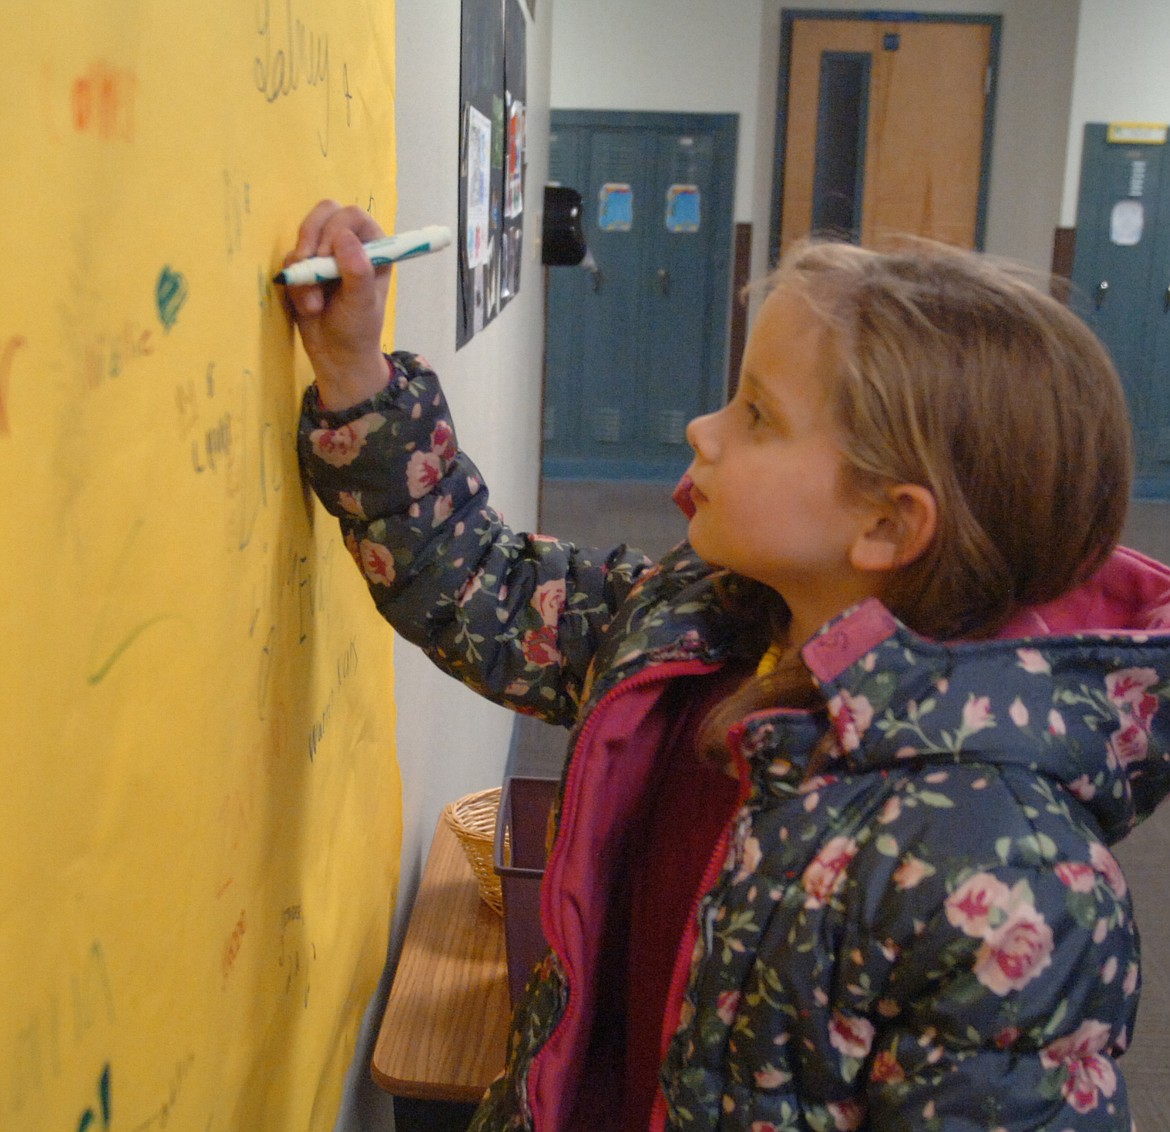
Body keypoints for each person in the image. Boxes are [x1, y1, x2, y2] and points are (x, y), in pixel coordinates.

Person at [284, 200, 1170, 1132]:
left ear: (886, 524)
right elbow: (488, 591)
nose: (704, 429)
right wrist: (354, 369)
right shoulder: (704, 626)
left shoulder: (1008, 881)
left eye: (757, 415)